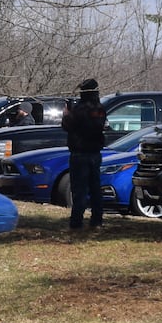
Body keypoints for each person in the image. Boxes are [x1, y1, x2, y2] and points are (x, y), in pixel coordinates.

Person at [61, 78, 109, 229]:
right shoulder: (100, 109)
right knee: (95, 188)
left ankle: (76, 222)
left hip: (79, 153)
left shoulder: (79, 110)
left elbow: (68, 126)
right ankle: (97, 221)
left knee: (79, 190)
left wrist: (66, 114)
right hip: (95, 153)